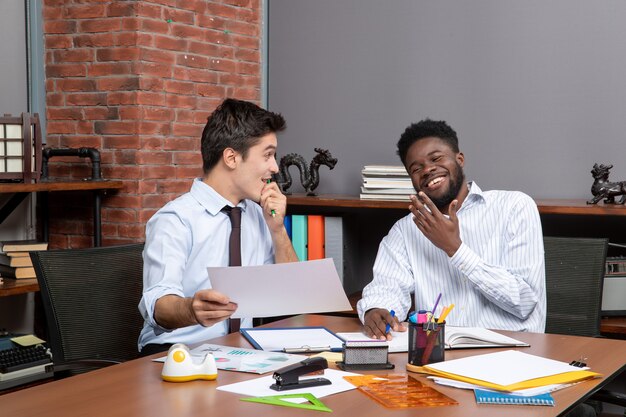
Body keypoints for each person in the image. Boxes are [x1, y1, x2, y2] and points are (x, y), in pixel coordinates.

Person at [357, 119, 546, 340]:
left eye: (436, 158)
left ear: (459, 159)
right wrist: (375, 310)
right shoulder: (405, 230)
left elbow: (524, 301)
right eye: (416, 168)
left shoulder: (514, 207)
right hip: (439, 356)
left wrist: (455, 249)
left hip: (514, 355)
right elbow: (386, 288)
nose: (427, 170)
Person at [138, 98, 298, 355]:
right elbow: (158, 305)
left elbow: (291, 292)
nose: (275, 167)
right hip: (176, 351)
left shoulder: (258, 215)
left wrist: (278, 229)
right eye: (268, 155)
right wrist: (191, 309)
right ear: (231, 158)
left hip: (238, 352)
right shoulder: (176, 219)